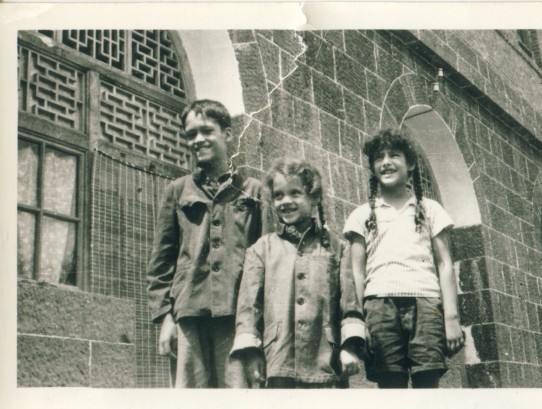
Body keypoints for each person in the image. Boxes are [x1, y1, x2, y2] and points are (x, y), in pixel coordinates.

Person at [146, 99, 271, 388]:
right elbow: (161, 263)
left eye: (206, 131)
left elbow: (267, 262)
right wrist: (165, 317)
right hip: (189, 316)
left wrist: (257, 327)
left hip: (237, 319)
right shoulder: (177, 191)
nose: (198, 140)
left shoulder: (253, 191)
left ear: (227, 134)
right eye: (191, 134)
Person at [343, 129, 465, 388]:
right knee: (391, 387)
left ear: (410, 164)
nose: (386, 162)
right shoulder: (362, 215)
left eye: (394, 155)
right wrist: (358, 323)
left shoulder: (431, 210)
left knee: (427, 383)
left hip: (427, 306)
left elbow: (444, 264)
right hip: (379, 308)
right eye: (378, 157)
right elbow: (356, 273)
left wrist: (451, 318)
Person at [230, 159, 365, 389]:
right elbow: (248, 310)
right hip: (277, 361)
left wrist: (349, 347)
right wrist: (252, 354)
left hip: (326, 363)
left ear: (313, 198)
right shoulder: (261, 249)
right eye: (279, 195)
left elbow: (350, 306)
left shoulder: (337, 248)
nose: (286, 201)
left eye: (295, 193)